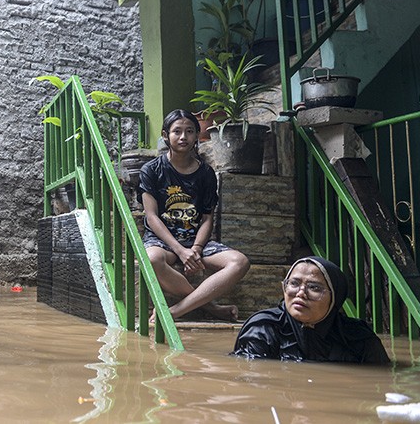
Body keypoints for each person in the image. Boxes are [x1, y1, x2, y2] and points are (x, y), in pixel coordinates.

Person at [138, 109, 250, 322]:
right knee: (151, 259)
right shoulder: (151, 170)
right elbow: (152, 217)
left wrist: (196, 249)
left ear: (197, 135)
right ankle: (212, 309)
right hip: (161, 240)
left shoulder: (206, 173)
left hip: (196, 240)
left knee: (240, 262)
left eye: (189, 131)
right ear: (165, 135)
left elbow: (207, 218)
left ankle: (176, 311)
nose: (183, 137)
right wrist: (181, 251)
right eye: (177, 131)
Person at [232, 256, 391, 364]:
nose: (301, 293)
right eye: (294, 283)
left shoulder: (359, 338)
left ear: (335, 297)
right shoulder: (263, 329)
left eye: (314, 287)